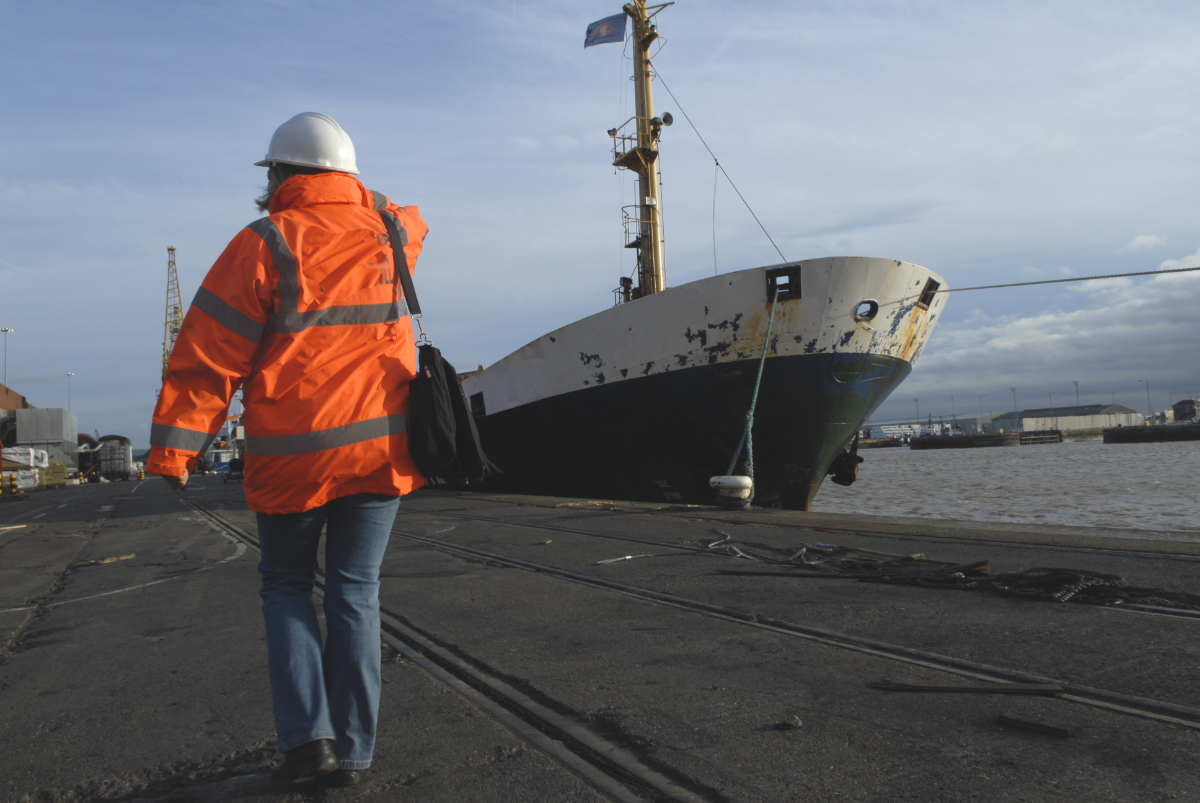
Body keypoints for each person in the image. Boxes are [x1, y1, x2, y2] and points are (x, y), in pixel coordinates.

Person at [146, 112, 427, 789]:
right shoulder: (392, 233)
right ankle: (355, 752)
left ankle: (309, 743)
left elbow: (207, 354)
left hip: (296, 455)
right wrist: (362, 198)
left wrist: (176, 450)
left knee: (287, 586)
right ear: (349, 175)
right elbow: (407, 215)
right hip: (382, 452)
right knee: (356, 592)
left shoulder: (262, 244)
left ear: (277, 175)